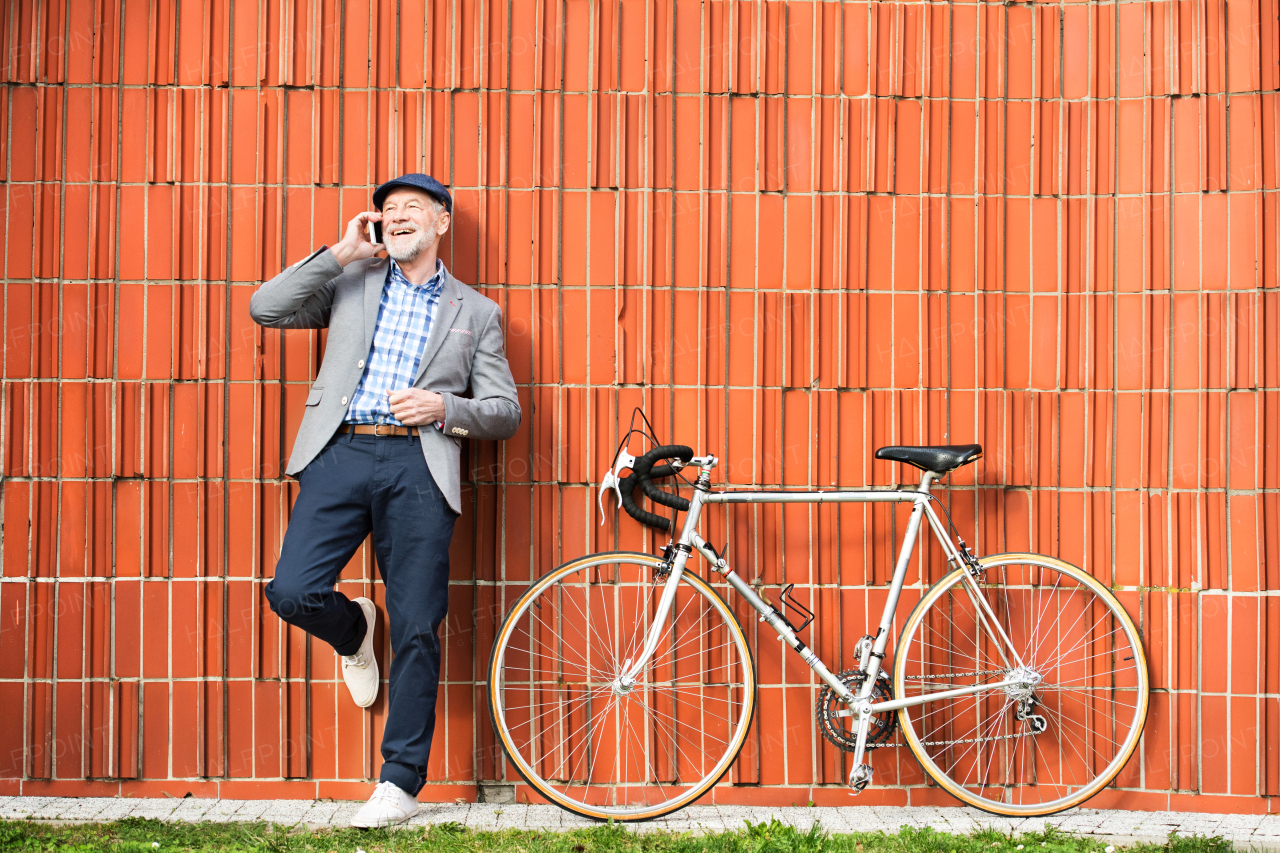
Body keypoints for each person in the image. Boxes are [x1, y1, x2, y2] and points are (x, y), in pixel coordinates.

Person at [248, 174, 520, 827]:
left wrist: (444, 407)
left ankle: (398, 780)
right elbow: (265, 306)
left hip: (419, 461)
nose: (396, 218)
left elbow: (505, 411)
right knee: (291, 589)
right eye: (388, 210)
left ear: (442, 223)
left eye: (411, 209)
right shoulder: (352, 285)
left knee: (420, 621)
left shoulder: (475, 312)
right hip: (340, 452)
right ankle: (354, 629)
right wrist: (341, 253)